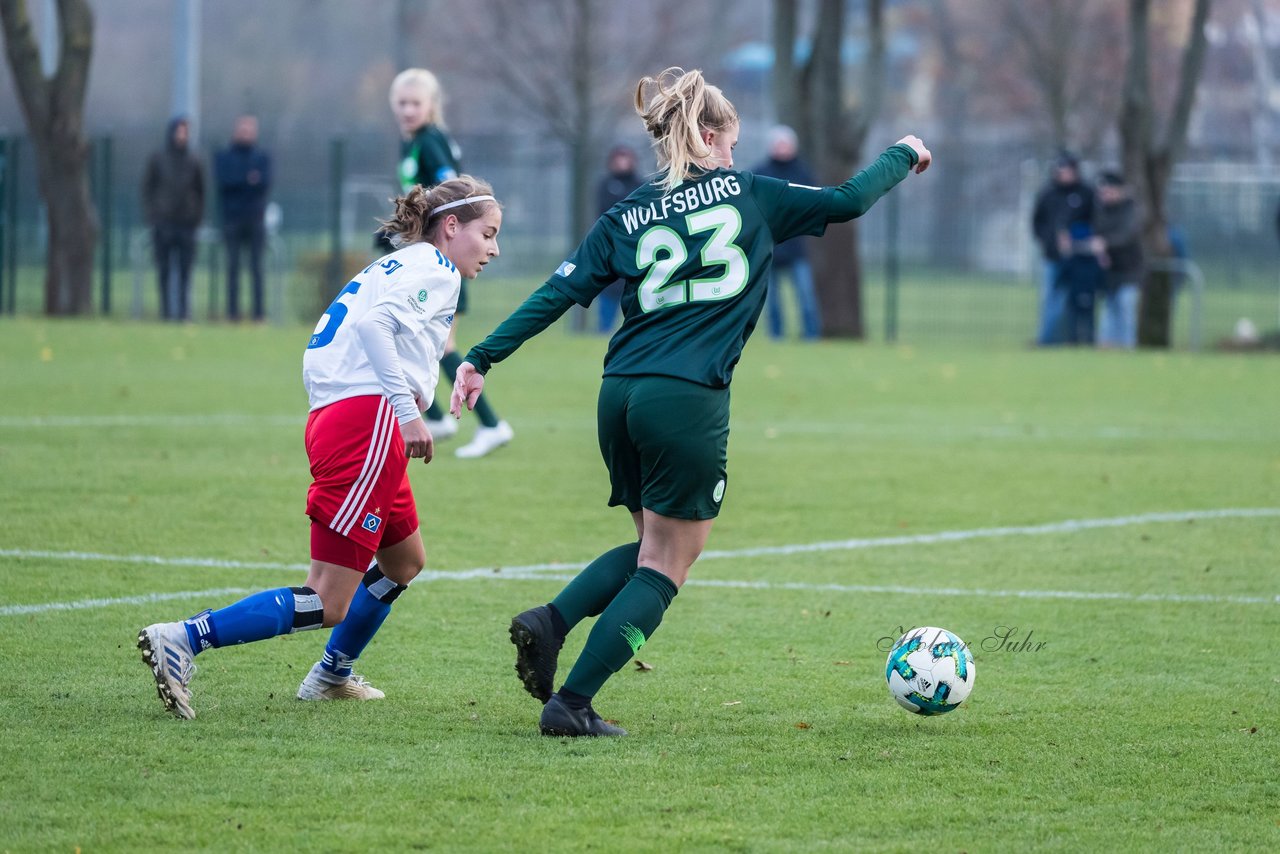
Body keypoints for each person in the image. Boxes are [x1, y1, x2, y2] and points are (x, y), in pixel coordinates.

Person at [450, 67, 930, 737]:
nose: (734, 157)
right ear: (708, 136)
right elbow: (848, 200)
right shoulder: (750, 193)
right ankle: (573, 703)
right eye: (729, 143)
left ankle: (551, 622)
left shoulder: (627, 211)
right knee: (670, 561)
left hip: (618, 393)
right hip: (685, 397)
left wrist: (481, 356)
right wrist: (903, 152)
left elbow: (558, 292)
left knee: (651, 543)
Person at [137, 177, 503, 719]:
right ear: (451, 226)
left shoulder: (397, 263)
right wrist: (407, 413)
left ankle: (332, 674)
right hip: (368, 424)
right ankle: (185, 638)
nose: (494, 249)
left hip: (345, 416)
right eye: (488, 234)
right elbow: (377, 327)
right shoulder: (436, 268)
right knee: (328, 599)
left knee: (404, 561)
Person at [385, 67, 513, 458]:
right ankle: (437, 417)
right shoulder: (413, 142)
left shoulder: (431, 142)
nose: (408, 110)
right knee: (422, 339)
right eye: (402, 103)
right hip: (429, 255)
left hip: (445, 257)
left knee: (442, 344)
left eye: (415, 103)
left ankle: (491, 424)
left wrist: (418, 227)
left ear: (432, 106)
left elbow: (448, 194)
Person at [752, 124, 822, 339]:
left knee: (805, 295)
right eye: (779, 144)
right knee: (771, 298)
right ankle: (776, 335)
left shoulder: (803, 173)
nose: (782, 148)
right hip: (770, 248)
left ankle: (811, 334)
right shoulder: (760, 173)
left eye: (786, 144)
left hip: (795, 247)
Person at [142, 116, 205, 321]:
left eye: (185, 132)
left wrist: (196, 217)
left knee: (185, 273)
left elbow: (201, 191)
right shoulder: (158, 158)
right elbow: (147, 189)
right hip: (164, 223)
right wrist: (153, 216)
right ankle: (165, 313)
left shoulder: (194, 160)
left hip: (186, 224)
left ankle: (184, 313)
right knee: (164, 271)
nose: (181, 135)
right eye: (179, 131)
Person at [1031, 152, 1094, 345]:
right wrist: (1049, 241)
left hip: (1080, 259)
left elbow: (1094, 222)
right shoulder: (1048, 193)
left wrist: (1076, 242)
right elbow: (1037, 222)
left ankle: (1074, 339)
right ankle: (1048, 340)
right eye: (1060, 170)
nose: (1063, 174)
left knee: (1077, 300)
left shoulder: (1085, 193)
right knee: (1051, 299)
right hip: (1053, 256)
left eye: (1067, 170)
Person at [214, 114, 272, 322]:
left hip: (255, 219)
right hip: (232, 219)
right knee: (232, 268)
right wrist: (247, 180)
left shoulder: (262, 157)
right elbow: (225, 182)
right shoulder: (225, 156)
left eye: (250, 130)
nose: (246, 134)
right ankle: (232, 313)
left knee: (257, 268)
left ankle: (258, 315)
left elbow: (264, 183)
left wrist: (241, 182)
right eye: (243, 129)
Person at [593, 145, 645, 333]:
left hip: (635, 249)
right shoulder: (605, 185)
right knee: (609, 289)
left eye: (626, 158)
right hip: (612, 248)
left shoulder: (640, 185)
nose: (622, 162)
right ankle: (603, 330)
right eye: (618, 158)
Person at [1092, 170, 1144, 349]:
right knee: (1109, 312)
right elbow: (1098, 235)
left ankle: (1128, 348)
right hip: (1110, 272)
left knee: (1126, 309)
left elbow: (1126, 236)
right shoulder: (1101, 211)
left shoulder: (1131, 210)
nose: (1104, 195)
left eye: (1108, 191)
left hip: (1129, 270)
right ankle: (1107, 349)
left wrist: (1104, 244)